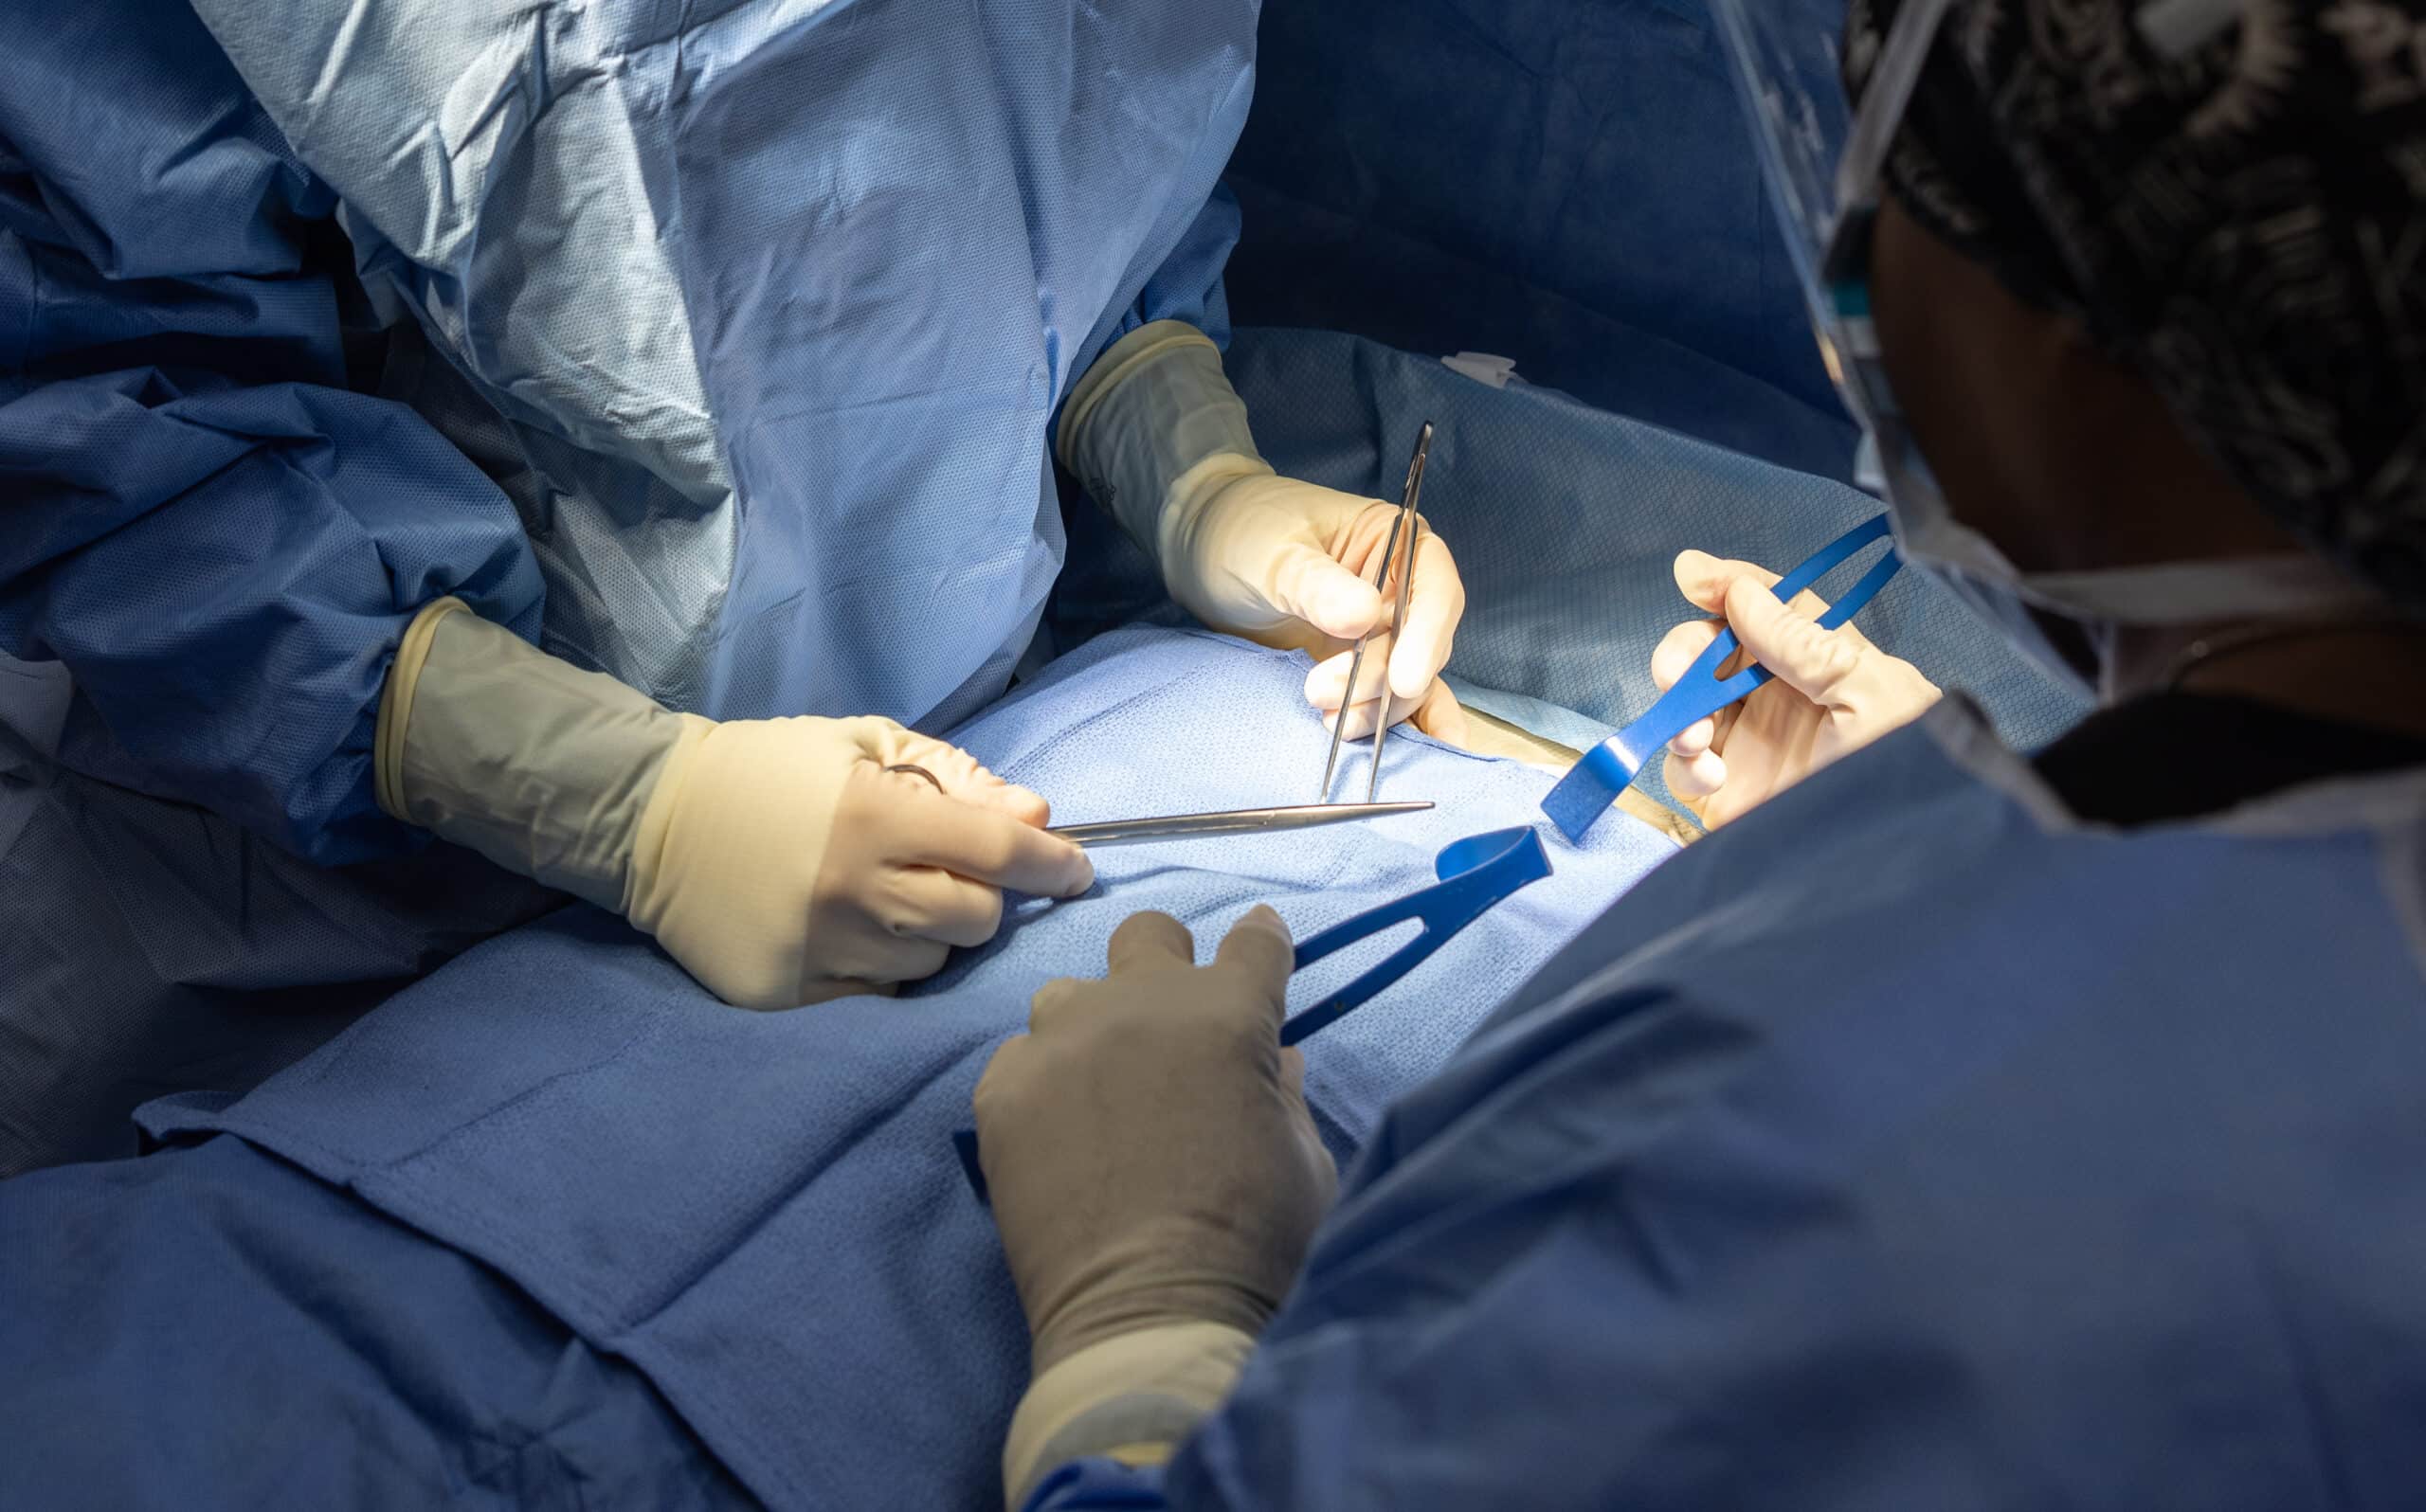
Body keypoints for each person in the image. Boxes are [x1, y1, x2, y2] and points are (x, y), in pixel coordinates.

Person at [969, 0, 2426, 1503]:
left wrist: (1149, 1323)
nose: (1847, 270)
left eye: (1887, 183)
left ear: (2072, 346)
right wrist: (1962, 872)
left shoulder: (1783, 1156)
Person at [0, 2, 1471, 1021]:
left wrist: (1190, 464)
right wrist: (620, 803)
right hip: (329, 918)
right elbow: (108, 412)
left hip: (975, 743)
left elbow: (1038, 158)